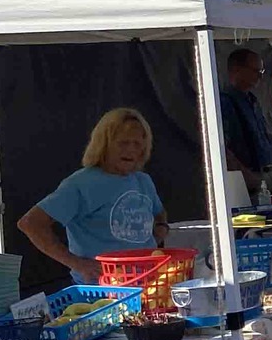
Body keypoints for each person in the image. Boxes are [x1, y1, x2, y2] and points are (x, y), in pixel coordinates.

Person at [19, 108, 170, 283]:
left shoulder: (143, 180)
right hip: (101, 291)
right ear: (104, 144)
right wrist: (78, 264)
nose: (130, 150)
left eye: (137, 144)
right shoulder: (82, 183)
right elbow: (31, 223)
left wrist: (161, 227)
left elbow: (159, 211)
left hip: (149, 285)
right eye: (123, 143)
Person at [219, 47, 272, 193]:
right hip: (250, 180)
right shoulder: (225, 102)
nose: (260, 76)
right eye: (256, 71)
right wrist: (247, 177)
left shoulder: (252, 101)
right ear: (237, 70)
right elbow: (222, 149)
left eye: (261, 72)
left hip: (269, 174)